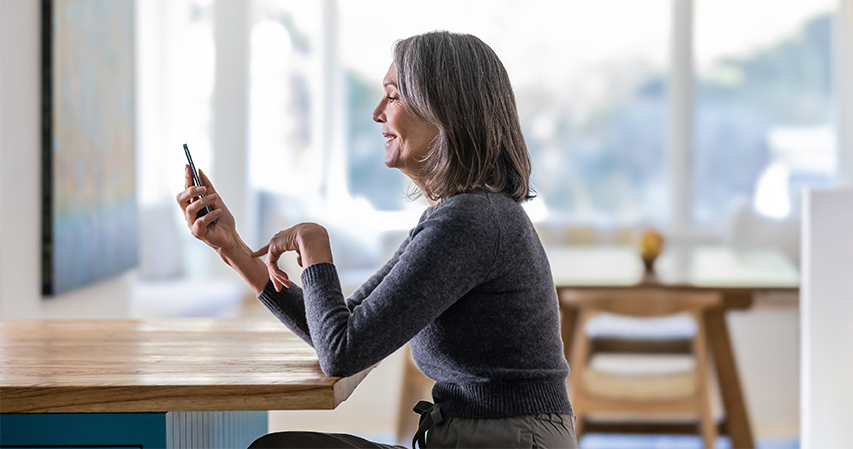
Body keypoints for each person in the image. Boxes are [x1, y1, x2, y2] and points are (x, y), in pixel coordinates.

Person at [177, 31, 577, 449]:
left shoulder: (470, 220)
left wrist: (313, 244)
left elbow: (342, 352)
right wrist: (234, 249)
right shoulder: (460, 216)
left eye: (393, 96)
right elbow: (339, 327)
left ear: (444, 111)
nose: (376, 113)